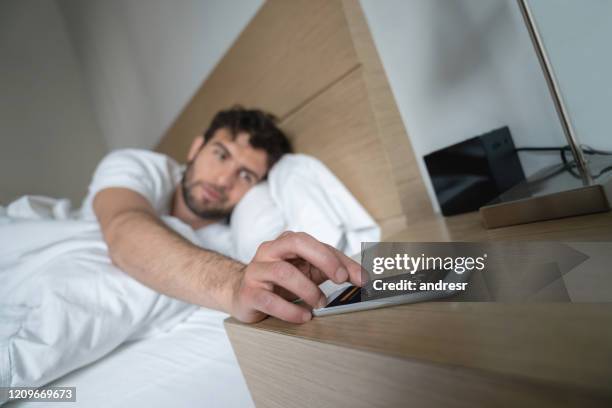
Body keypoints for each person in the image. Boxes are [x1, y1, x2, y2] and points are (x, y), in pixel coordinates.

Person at [90, 106, 362, 324]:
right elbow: (122, 227)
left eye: (245, 175)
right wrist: (233, 285)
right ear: (196, 149)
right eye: (221, 155)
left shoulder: (229, 245)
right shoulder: (139, 167)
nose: (222, 180)